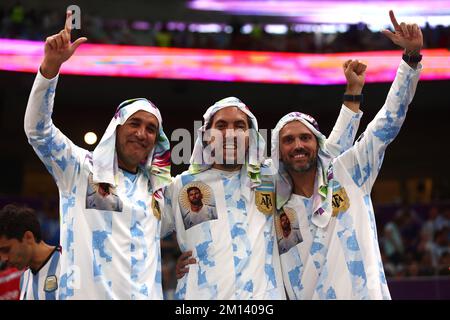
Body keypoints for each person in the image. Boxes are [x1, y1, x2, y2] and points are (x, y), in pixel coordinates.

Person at [166, 57, 366, 299]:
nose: (230, 133)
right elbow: (142, 228)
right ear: (207, 135)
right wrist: (164, 268)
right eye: (221, 126)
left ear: (251, 136)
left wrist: (353, 94)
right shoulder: (180, 186)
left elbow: (329, 152)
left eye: (240, 126)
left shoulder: (272, 178)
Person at [269, 10, 423, 299]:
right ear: (278, 151)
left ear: (319, 144)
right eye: (288, 140)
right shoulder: (271, 205)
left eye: (305, 137)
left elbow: (388, 120)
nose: (298, 145)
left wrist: (410, 59)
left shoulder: (349, 172)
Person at [24, 11, 172, 299]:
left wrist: (186, 263)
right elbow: (37, 131)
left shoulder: (159, 189)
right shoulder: (79, 169)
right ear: (116, 129)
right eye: (135, 124)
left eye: (151, 129)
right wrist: (50, 68)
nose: (142, 134)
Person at [0, 204, 61, 300]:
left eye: (6, 250)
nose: (4, 258)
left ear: (28, 237)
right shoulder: (25, 278)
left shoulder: (67, 264)